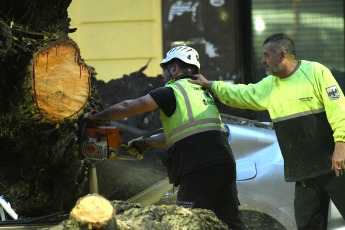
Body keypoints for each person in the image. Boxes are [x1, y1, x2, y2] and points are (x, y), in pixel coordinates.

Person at [190, 33, 345, 229]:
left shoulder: (315, 72)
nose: (263, 60)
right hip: (304, 174)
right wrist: (209, 85)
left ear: (281, 55)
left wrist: (341, 145)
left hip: (337, 166)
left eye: (266, 55)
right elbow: (241, 93)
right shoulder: (270, 85)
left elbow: (339, 110)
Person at [88, 46, 246, 229]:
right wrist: (147, 143)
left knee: (187, 223)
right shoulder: (203, 94)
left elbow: (128, 107)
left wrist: (94, 117)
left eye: (165, 69)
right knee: (231, 222)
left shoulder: (171, 91)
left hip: (198, 168)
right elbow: (187, 133)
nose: (162, 75)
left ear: (175, 69)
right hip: (224, 164)